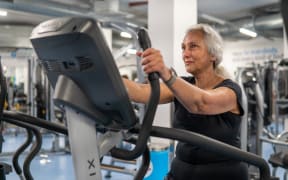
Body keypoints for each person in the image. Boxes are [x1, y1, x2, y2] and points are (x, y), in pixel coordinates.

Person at [123, 24, 248, 180]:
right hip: (181, 171)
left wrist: (166, 73)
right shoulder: (182, 85)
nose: (185, 54)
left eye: (193, 46)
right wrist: (104, 77)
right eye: (183, 48)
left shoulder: (230, 90)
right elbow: (140, 92)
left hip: (222, 174)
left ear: (213, 55)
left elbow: (201, 103)